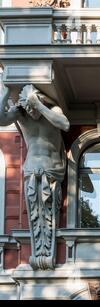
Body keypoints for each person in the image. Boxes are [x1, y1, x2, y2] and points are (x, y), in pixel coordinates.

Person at [0, 84, 69, 270]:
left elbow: (65, 124)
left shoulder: (52, 110)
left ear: (38, 99)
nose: (31, 110)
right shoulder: (20, 113)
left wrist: (38, 105)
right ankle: (40, 249)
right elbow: (1, 119)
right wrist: (6, 92)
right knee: (37, 213)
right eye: (27, 106)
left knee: (47, 212)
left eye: (32, 105)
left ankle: (45, 249)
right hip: (32, 167)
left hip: (51, 168)